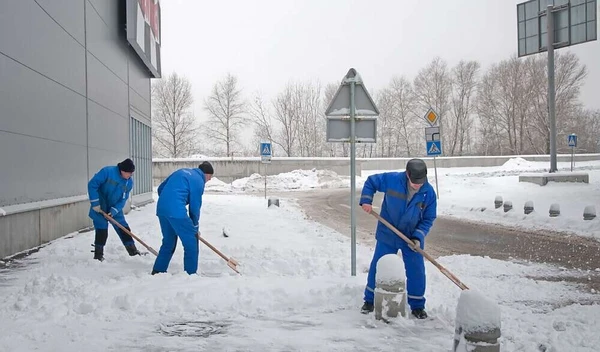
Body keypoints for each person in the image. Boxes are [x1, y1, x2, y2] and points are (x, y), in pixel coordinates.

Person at [358, 158, 437, 319]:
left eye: (420, 182)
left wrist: (418, 237)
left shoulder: (428, 193)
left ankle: (417, 305)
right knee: (378, 265)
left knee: (417, 271)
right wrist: (366, 200)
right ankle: (370, 300)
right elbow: (371, 182)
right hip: (388, 232)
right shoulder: (393, 180)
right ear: (407, 174)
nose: (417, 185)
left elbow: (428, 219)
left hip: (411, 237)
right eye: (414, 181)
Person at [151, 161, 214, 275]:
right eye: (210, 177)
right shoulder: (199, 181)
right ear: (207, 174)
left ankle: (158, 271)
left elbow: (161, 189)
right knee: (191, 242)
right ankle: (190, 274)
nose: (209, 180)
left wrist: (170, 200)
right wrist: (195, 226)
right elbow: (195, 207)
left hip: (162, 209)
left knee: (168, 242)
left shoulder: (180, 172)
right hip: (177, 212)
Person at [88, 158, 142, 261]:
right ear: (123, 170)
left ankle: (132, 251)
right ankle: (98, 254)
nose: (130, 176)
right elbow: (92, 184)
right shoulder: (107, 172)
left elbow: (124, 199)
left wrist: (114, 210)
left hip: (114, 207)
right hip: (100, 206)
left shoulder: (129, 182)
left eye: (131, 173)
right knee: (101, 230)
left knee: (124, 228)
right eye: (129, 173)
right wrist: (95, 203)